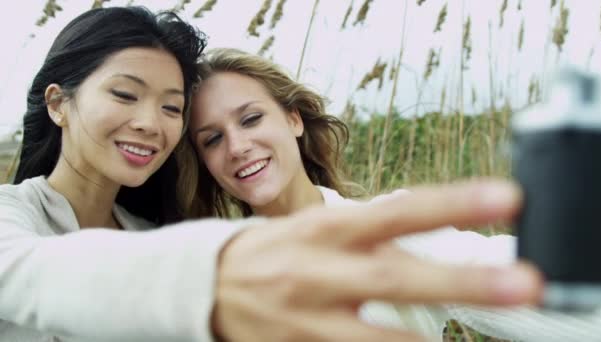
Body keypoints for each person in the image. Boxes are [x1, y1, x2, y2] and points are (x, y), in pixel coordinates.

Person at [0, 7, 543, 342]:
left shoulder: (163, 235)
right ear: (58, 103)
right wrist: (202, 279)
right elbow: (25, 273)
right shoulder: (18, 220)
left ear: (293, 118)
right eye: (124, 94)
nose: (149, 123)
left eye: (170, 108)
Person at [182, 48, 601, 341]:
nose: (237, 146)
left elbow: (547, 293)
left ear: (294, 119)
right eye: (212, 139)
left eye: (251, 119)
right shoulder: (221, 272)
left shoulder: (391, 229)